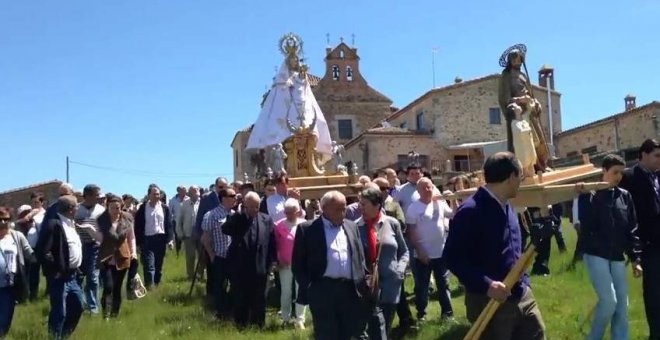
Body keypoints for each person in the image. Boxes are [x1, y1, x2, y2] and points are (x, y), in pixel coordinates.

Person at [444, 152, 545, 339]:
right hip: (489, 301)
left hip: (522, 294)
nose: (520, 182)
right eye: (520, 177)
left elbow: (513, 249)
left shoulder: (507, 206)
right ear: (511, 177)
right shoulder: (471, 211)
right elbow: (452, 258)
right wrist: (488, 285)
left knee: (537, 334)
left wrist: (525, 282)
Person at [579, 154, 643, 340]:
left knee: (622, 305)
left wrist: (635, 259)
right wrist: (584, 195)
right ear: (604, 171)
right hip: (596, 254)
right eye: (615, 172)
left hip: (617, 256)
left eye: (621, 173)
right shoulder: (590, 195)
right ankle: (593, 337)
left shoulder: (625, 197)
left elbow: (632, 228)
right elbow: (585, 223)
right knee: (609, 302)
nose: (618, 177)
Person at [292, 190, 370, 340]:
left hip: (349, 289)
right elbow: (298, 264)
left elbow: (359, 256)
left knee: (350, 332)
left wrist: (364, 278)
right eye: (338, 209)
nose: (342, 213)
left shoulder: (351, 226)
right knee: (326, 333)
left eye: (344, 209)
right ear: (324, 208)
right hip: (322, 290)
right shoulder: (308, 229)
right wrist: (309, 287)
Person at [619, 138, 660, 340]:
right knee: (654, 293)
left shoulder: (657, 176)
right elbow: (625, 212)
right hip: (647, 244)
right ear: (643, 155)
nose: (659, 160)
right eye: (657, 156)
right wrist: (632, 247)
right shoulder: (630, 177)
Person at [356, 187, 408, 338]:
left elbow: (404, 251)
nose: (360, 207)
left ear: (377, 204)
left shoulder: (392, 224)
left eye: (364, 204)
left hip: (390, 285)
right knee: (370, 330)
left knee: (386, 326)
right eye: (360, 203)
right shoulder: (354, 227)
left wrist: (400, 270)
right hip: (366, 287)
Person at [222, 192, 276, 329]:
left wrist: (271, 263)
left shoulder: (266, 219)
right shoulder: (238, 218)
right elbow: (225, 229)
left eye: (256, 207)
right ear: (245, 206)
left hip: (260, 266)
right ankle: (241, 325)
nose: (253, 210)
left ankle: (258, 325)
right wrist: (239, 214)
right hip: (240, 267)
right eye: (250, 207)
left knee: (259, 298)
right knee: (241, 297)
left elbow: (271, 243)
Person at [36, 195, 85, 340]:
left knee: (78, 307)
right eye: (76, 206)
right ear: (71, 209)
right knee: (59, 311)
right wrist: (56, 268)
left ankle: (64, 335)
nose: (78, 209)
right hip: (60, 277)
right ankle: (54, 337)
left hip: (73, 276)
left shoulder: (71, 223)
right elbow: (42, 252)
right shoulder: (53, 224)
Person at [406, 177, 454, 322]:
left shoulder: (439, 202)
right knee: (422, 286)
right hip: (423, 255)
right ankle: (422, 314)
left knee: (443, 284)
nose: (428, 190)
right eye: (425, 187)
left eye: (430, 187)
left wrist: (453, 198)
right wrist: (419, 250)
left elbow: (453, 214)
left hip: (440, 252)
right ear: (418, 190)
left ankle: (447, 313)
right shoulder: (413, 208)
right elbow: (411, 232)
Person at [95, 195, 137, 319]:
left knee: (117, 288)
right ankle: (106, 315)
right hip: (106, 258)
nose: (115, 211)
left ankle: (114, 314)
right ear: (107, 207)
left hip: (122, 257)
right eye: (112, 208)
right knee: (108, 287)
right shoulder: (101, 220)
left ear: (121, 207)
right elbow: (98, 238)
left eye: (117, 208)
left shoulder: (127, 219)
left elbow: (131, 237)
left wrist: (133, 252)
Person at [273, 198, 307, 329]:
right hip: (284, 263)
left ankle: (300, 319)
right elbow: (274, 245)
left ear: (298, 211)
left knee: (301, 291)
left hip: (301, 264)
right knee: (286, 291)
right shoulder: (278, 225)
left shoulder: (304, 224)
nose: (290, 214)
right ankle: (285, 318)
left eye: (292, 211)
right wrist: (278, 259)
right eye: (287, 212)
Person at [0, 206, 34, 338]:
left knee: (5, 318)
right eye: (0, 219)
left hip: (9, 286)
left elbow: (30, 254)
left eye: (6, 219)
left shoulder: (17, 236)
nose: (3, 222)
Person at [134, 184, 174, 289]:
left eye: (158, 194)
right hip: (147, 239)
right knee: (149, 265)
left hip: (160, 239)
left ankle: (156, 284)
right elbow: (137, 226)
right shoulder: (143, 208)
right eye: (154, 194)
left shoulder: (164, 208)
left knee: (158, 265)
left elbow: (169, 225)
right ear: (148, 195)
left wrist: (170, 240)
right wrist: (138, 243)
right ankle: (149, 287)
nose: (157, 196)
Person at [74, 184, 105, 314]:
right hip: (79, 247)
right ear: (88, 195)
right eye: (96, 194)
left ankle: (93, 308)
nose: (98, 197)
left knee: (93, 277)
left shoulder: (101, 210)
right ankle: (79, 304)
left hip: (95, 247)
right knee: (78, 277)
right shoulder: (76, 210)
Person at [176, 186, 200, 280]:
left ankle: (200, 274)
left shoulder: (202, 203)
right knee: (190, 256)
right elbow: (179, 220)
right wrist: (180, 233)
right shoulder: (184, 204)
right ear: (189, 194)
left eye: (196, 192)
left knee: (202, 257)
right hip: (188, 233)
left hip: (201, 232)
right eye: (192, 192)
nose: (195, 194)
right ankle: (190, 276)